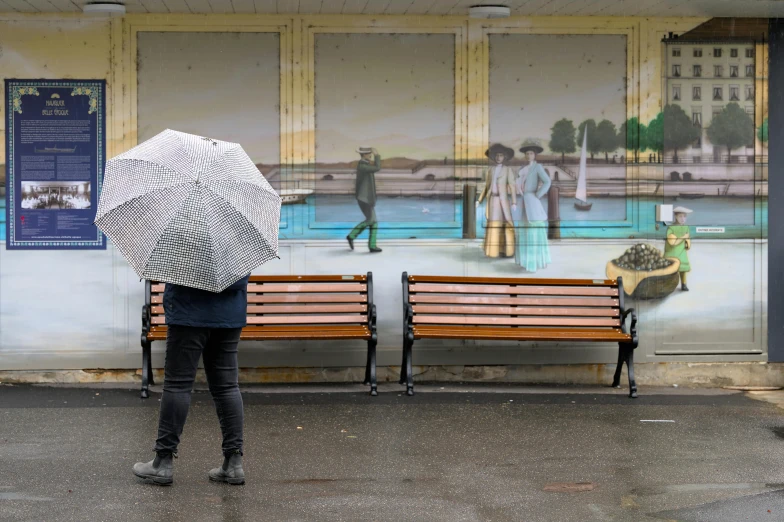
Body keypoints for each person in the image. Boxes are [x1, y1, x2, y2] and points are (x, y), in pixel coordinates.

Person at [132, 275, 251, 486]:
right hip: (229, 313)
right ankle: (234, 463)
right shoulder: (239, 243)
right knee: (227, 387)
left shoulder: (185, 241)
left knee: (178, 385)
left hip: (189, 312)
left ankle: (163, 462)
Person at [514, 140, 551, 272]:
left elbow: (547, 182)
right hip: (524, 201)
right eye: (527, 153)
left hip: (533, 200)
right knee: (524, 230)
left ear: (535, 155)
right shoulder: (522, 169)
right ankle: (525, 261)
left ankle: (535, 262)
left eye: (531, 153)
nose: (529, 155)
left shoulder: (538, 167)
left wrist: (538, 194)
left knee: (534, 231)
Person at [476, 143, 517, 258]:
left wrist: (514, 201)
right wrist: (479, 200)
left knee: (506, 224)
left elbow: (512, 186)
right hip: (493, 200)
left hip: (502, 200)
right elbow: (486, 186)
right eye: (497, 155)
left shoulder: (508, 170)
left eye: (501, 155)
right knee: (493, 224)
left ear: (504, 157)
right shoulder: (490, 170)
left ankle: (507, 250)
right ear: (494, 157)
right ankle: (493, 251)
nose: (499, 158)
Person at [346, 147, 382, 253]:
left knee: (374, 222)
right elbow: (377, 167)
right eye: (369, 154)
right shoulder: (362, 166)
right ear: (364, 155)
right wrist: (377, 156)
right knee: (371, 220)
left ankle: (372, 245)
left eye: (370, 154)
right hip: (364, 198)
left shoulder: (364, 165)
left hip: (366, 197)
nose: (370, 155)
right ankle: (351, 236)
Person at [664, 206, 692, 291]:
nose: (683, 219)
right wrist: (684, 237)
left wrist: (688, 243)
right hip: (672, 252)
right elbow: (672, 242)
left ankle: (684, 284)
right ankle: (667, 285)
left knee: (683, 269)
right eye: (680, 216)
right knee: (671, 269)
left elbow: (687, 238)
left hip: (681, 251)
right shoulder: (671, 228)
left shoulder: (686, 227)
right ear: (675, 216)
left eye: (684, 216)